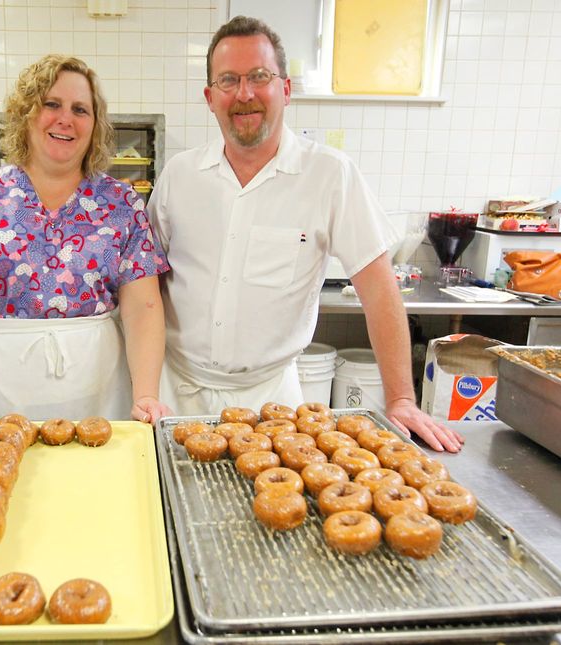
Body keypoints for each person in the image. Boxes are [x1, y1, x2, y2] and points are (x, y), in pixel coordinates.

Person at [147, 16, 463, 452]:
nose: (244, 93)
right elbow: (145, 288)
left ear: (286, 89)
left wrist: (402, 398)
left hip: (271, 401)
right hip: (174, 391)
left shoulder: (330, 175)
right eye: (228, 80)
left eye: (259, 77)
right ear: (209, 96)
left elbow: (378, 290)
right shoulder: (179, 175)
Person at [0, 54, 170, 440]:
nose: (65, 119)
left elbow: (144, 307)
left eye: (80, 109)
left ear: (95, 125)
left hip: (100, 387)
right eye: (51, 104)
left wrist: (146, 394)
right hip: (4, 388)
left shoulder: (121, 203)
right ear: (25, 114)